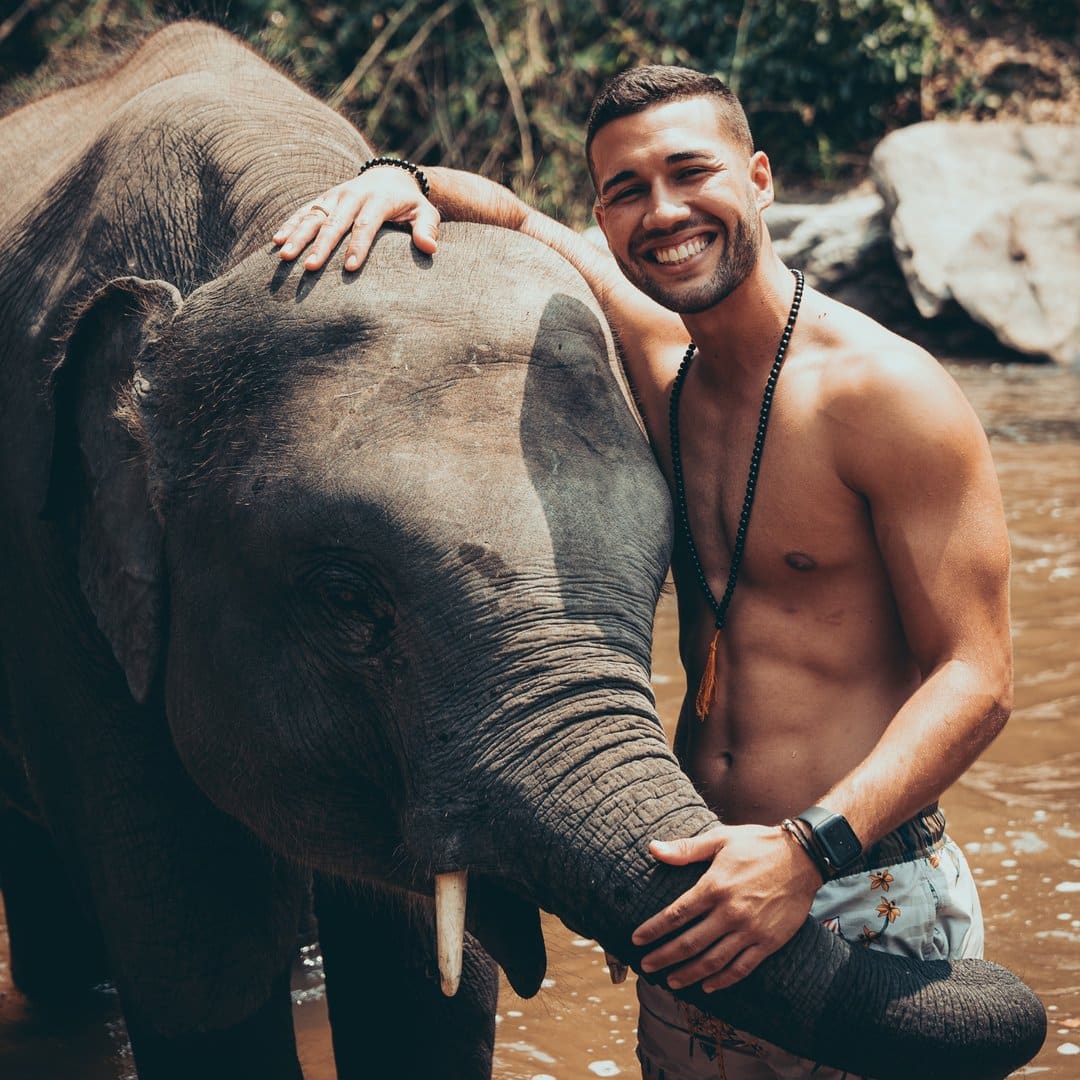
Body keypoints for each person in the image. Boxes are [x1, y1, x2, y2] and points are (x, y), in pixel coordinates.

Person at [274, 67, 1012, 1079]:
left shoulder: (884, 394)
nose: (663, 212)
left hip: (852, 883)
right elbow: (526, 220)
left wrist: (805, 851)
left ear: (757, 178)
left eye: (689, 172)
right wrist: (405, 178)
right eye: (627, 190)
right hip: (691, 887)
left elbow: (977, 680)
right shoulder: (661, 366)